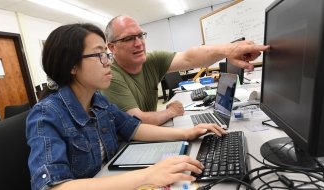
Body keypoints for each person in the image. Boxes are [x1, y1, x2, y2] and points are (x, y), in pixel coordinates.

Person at [26, 23, 227, 190]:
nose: (108, 62)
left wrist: (187, 133)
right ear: (71, 66)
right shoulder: (46, 115)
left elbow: (134, 128)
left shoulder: (97, 101)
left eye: (107, 54)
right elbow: (53, 187)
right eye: (99, 55)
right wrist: (147, 176)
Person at [102, 15, 270, 126]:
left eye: (140, 35)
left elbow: (190, 57)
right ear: (112, 47)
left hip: (150, 132)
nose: (139, 43)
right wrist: (170, 112)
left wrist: (228, 50)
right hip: (129, 144)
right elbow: (138, 121)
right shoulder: (110, 76)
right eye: (129, 38)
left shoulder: (150, 60)